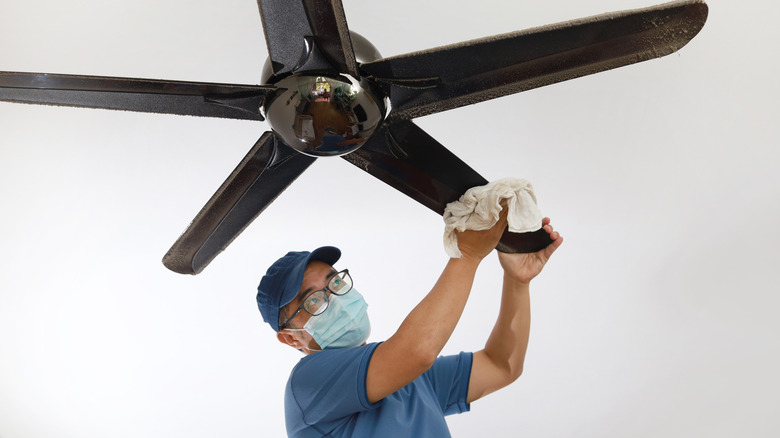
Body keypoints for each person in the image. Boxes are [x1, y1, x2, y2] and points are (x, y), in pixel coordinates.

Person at [256, 209, 563, 437]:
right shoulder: (307, 384)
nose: (335, 298)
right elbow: (417, 351)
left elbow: (501, 365)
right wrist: (467, 253)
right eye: (314, 301)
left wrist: (517, 282)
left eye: (335, 282)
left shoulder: (409, 378)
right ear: (292, 339)